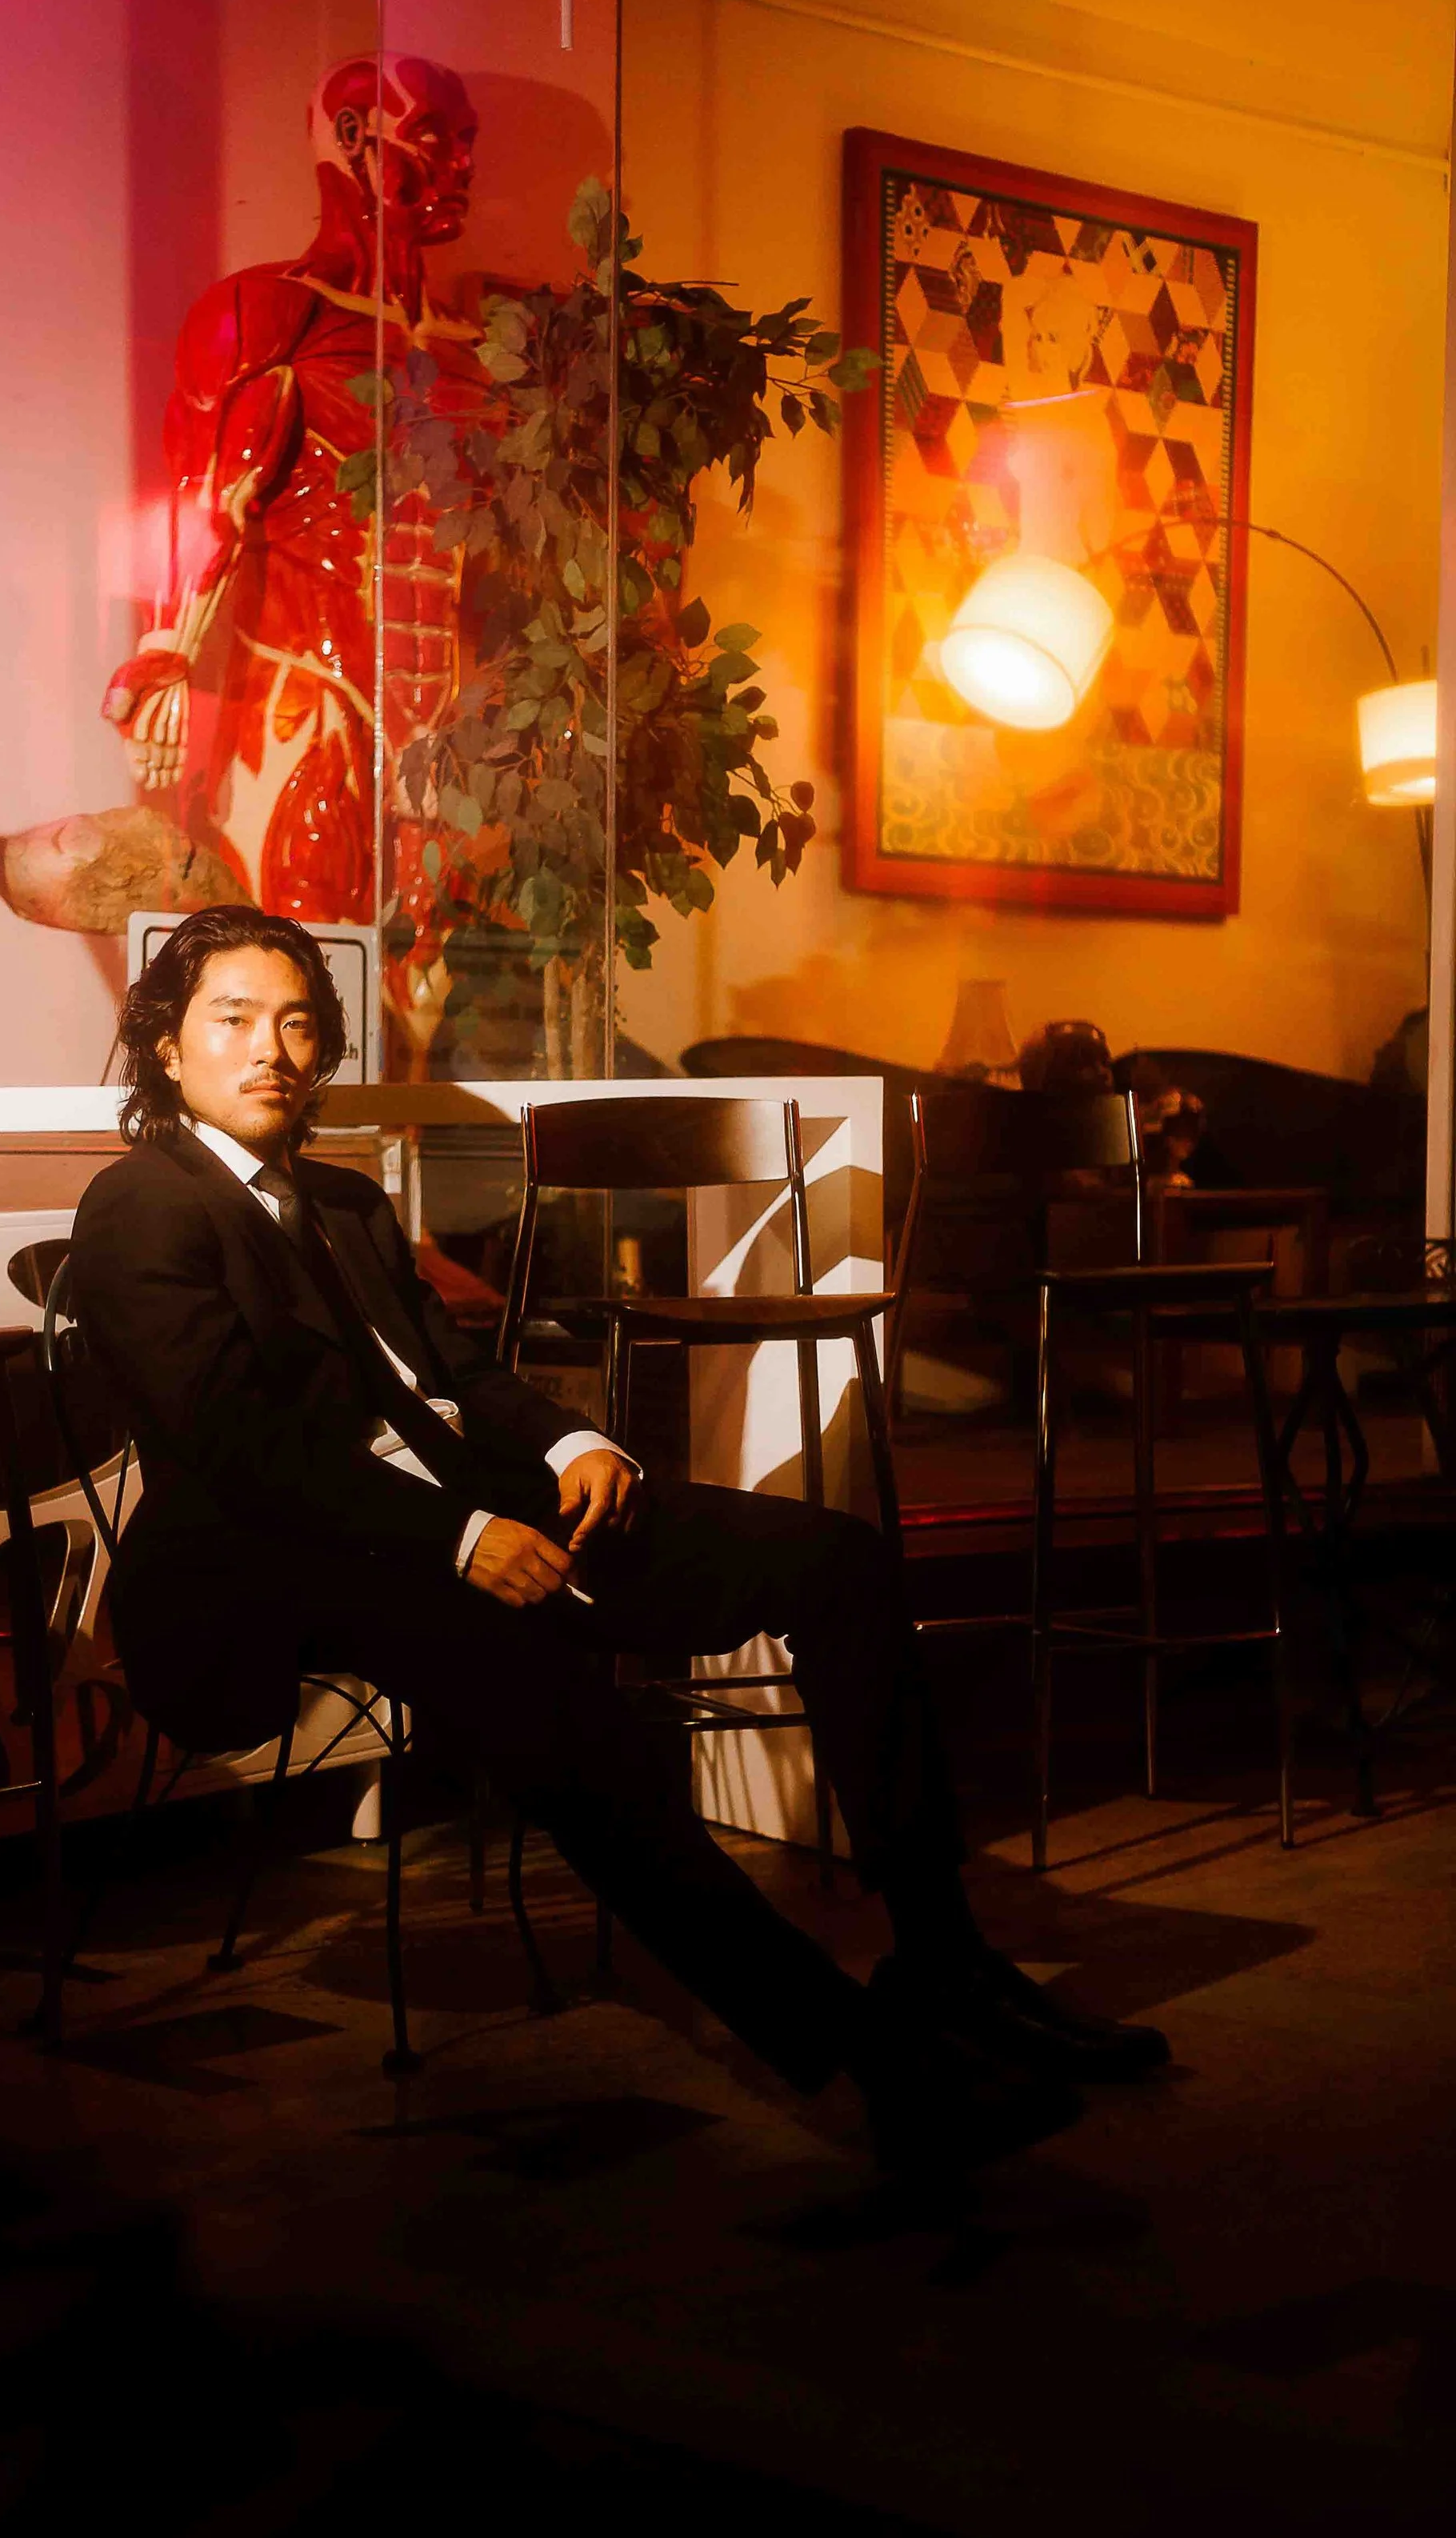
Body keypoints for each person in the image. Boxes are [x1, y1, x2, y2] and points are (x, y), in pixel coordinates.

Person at [70, 906, 1168, 2180]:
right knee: (567, 1715)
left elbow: (455, 1371)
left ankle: (946, 1961)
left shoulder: (347, 1202)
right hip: (270, 1568)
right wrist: (462, 1532)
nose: (272, 1049)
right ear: (165, 1046)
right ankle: (870, 2061)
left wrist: (565, 1443)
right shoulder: (143, 1203)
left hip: (455, 1515)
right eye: (233, 1020)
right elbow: (239, 1453)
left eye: (297, 1023)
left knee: (838, 1560)